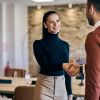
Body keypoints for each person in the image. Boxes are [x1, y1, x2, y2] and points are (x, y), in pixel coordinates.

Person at [33, 11, 72, 100]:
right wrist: (62, 65)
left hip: (62, 87)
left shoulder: (65, 45)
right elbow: (45, 65)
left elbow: (67, 71)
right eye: (51, 22)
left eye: (57, 21)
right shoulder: (38, 44)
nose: (55, 24)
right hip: (44, 86)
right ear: (45, 25)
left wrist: (69, 92)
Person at [85, 0, 100, 100]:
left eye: (85, 9)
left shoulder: (94, 37)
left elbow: (94, 83)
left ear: (91, 9)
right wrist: (84, 68)